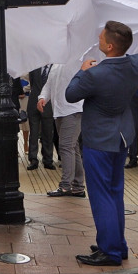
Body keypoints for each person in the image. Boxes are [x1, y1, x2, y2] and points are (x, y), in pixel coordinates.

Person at [65, 18, 138, 267]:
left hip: (99, 141)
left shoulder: (95, 74)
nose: (99, 38)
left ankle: (110, 251)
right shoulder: (135, 64)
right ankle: (116, 244)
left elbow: (70, 94)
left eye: (101, 37)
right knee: (114, 193)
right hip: (122, 137)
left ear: (110, 46)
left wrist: (81, 71)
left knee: (101, 196)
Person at [40, 62, 86, 197]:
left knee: (66, 147)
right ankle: (78, 186)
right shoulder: (56, 64)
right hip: (59, 110)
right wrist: (43, 98)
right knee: (72, 147)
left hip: (73, 109)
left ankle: (66, 185)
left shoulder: (77, 60)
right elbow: (49, 84)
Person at [26, 65, 56, 170]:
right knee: (33, 133)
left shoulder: (54, 68)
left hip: (48, 104)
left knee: (48, 134)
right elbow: (32, 83)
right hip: (33, 103)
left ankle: (48, 160)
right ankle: (33, 159)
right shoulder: (35, 67)